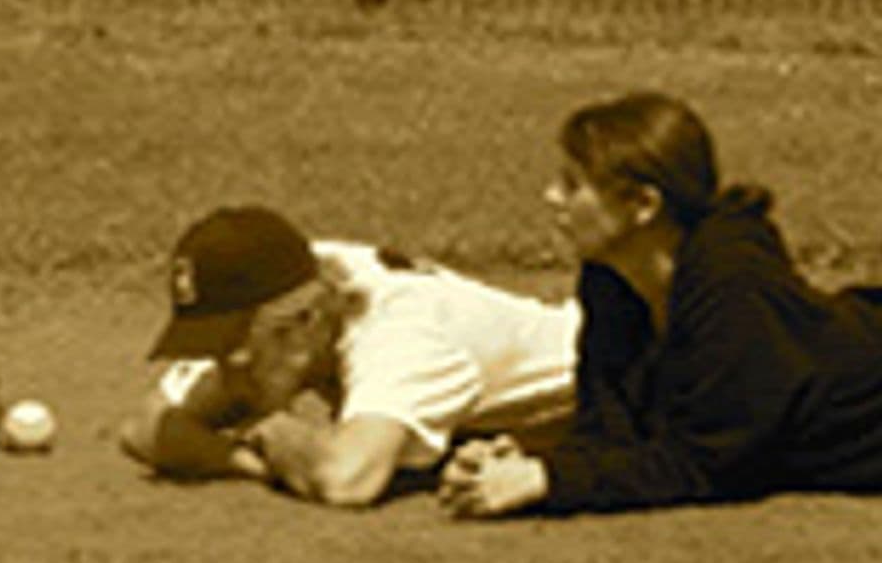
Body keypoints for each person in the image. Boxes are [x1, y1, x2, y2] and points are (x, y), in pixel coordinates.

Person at [440, 90, 882, 519]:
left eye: (573, 184)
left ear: (642, 204)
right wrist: (522, 457)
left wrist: (549, 480)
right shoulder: (611, 276)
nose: (551, 196)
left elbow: (712, 462)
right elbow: (611, 430)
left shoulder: (734, 284)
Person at [119, 204, 581, 507]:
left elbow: (348, 479)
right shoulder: (289, 282)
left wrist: (273, 430)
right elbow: (146, 428)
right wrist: (247, 459)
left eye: (236, 348)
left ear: (304, 322)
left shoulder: (401, 331)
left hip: (601, 389)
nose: (228, 368)